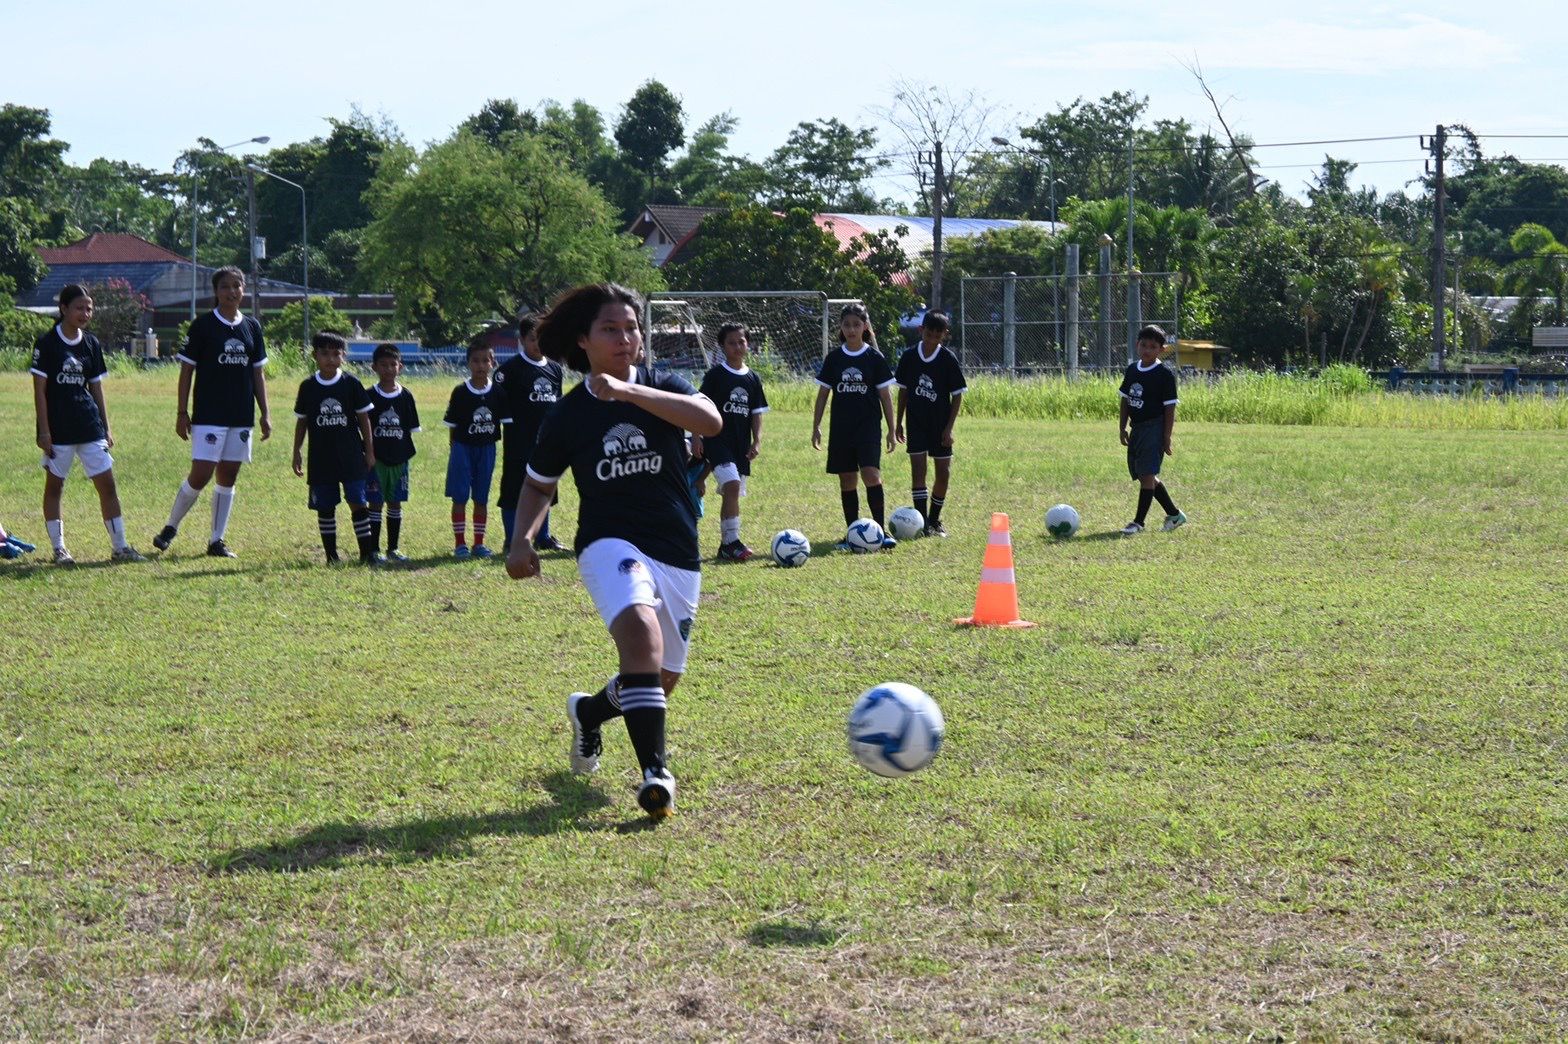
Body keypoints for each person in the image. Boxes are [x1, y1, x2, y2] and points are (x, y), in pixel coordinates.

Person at [506, 282, 722, 820]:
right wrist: (521, 538)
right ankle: (657, 773)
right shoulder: (567, 415)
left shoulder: (664, 385)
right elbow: (538, 483)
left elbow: (710, 421)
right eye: (611, 329)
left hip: (676, 547)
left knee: (660, 677)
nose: (625, 338)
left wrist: (627, 393)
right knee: (641, 638)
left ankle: (589, 711)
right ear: (583, 341)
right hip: (608, 543)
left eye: (632, 328)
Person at [152, 266, 271, 557]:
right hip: (208, 414)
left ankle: (216, 540)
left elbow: (258, 374)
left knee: (228, 476)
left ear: (243, 289)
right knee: (202, 474)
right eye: (225, 287)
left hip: (240, 415)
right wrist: (182, 412)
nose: (232, 292)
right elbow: (186, 372)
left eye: (237, 286)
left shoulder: (252, 327)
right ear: (216, 292)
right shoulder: (203, 326)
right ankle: (171, 526)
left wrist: (265, 413)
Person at [30, 284, 146, 564]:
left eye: (89, 308)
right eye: (79, 308)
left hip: (89, 425)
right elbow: (40, 392)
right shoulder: (47, 344)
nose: (85, 313)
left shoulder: (91, 344)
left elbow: (96, 388)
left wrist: (106, 427)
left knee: (108, 485)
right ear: (64, 309)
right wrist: (44, 430)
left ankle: (120, 547)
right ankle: (59, 549)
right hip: (59, 430)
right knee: (55, 487)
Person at [811, 302, 898, 550]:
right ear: (841, 327)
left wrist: (892, 429)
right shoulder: (834, 359)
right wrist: (816, 426)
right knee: (847, 480)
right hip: (841, 429)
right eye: (847, 325)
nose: (851, 329)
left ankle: (879, 532)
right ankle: (853, 534)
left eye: (856, 325)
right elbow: (822, 395)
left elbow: (885, 396)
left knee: (871, 474)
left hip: (868, 427)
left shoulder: (874, 358)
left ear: (865, 327)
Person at [291, 332, 380, 564]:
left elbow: (364, 420)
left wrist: (369, 451)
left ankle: (366, 553)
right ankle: (331, 556)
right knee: (326, 505)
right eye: (324, 354)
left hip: (350, 456)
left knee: (357, 501)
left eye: (335, 354)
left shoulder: (351, 384)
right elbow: (302, 421)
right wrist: (297, 451)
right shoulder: (308, 387)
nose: (330, 359)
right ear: (314, 356)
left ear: (343, 356)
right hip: (321, 458)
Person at [692, 323, 768, 561]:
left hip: (740, 445)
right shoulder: (716, 375)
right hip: (716, 440)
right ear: (722, 346)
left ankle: (727, 544)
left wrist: (756, 441)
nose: (737, 346)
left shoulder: (753, 379)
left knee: (732, 492)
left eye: (741, 342)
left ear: (748, 344)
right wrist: (696, 436)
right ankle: (731, 542)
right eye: (731, 343)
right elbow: (698, 406)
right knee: (732, 485)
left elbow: (757, 412)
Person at [494, 313, 564, 554]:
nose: (539, 344)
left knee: (545, 488)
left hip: (546, 442)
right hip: (518, 442)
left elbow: (559, 406)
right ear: (522, 340)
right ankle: (511, 539)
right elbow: (497, 405)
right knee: (515, 489)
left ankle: (543, 536)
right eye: (533, 339)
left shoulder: (555, 369)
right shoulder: (509, 370)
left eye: (543, 338)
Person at [894, 310, 966, 537]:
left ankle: (934, 519)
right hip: (916, 423)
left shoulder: (947, 359)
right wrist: (898, 423)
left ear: (944, 335)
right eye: (928, 334)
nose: (932, 339)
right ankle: (921, 522)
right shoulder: (908, 357)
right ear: (921, 330)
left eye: (937, 335)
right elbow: (903, 392)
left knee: (943, 473)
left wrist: (949, 428)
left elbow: (957, 395)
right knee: (918, 471)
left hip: (940, 425)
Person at [1119, 324, 1187, 535]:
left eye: (1152, 346)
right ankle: (1175, 515)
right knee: (1144, 475)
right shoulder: (1132, 370)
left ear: (1162, 350)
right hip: (1137, 429)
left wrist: (1166, 436)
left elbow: (1170, 408)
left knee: (1147, 474)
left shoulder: (1164, 375)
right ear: (1137, 345)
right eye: (1143, 345)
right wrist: (1122, 427)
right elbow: (1125, 400)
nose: (1147, 350)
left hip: (1154, 428)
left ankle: (1138, 522)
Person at [444, 339, 510, 558]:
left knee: (481, 498)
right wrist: (456, 449)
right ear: (468, 363)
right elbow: (452, 427)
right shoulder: (460, 392)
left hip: (487, 449)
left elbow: (505, 422)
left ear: (492, 363)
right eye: (476, 361)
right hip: (463, 449)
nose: (481, 365)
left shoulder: (499, 393)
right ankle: (460, 543)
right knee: (460, 497)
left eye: (485, 361)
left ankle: (479, 544)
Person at [364, 343, 420, 562]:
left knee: (395, 502)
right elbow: (362, 426)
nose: (388, 369)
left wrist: (403, 454)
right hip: (376, 460)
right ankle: (374, 549)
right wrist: (368, 453)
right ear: (374, 367)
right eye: (383, 365)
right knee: (375, 502)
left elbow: (410, 429)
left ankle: (393, 548)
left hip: (399, 459)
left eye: (392, 364)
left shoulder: (406, 396)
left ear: (401, 367)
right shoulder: (368, 396)